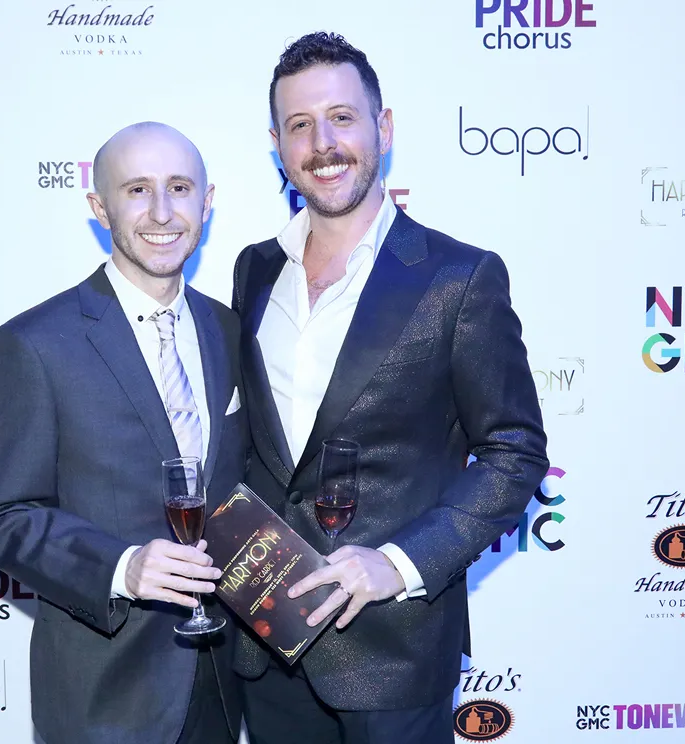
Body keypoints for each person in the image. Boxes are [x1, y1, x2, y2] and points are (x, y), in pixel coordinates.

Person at [230, 32, 549, 744]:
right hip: (265, 639)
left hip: (393, 651)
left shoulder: (459, 278)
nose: (323, 143)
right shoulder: (254, 270)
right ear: (277, 146)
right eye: (300, 125)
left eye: (342, 118)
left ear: (385, 127)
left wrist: (398, 565)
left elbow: (515, 451)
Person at [0, 121, 248, 744]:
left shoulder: (228, 330)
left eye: (179, 188)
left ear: (207, 202)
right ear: (100, 208)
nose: (162, 212)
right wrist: (123, 567)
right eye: (137, 190)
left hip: (223, 683)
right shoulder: (37, 343)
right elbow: (2, 518)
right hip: (106, 695)